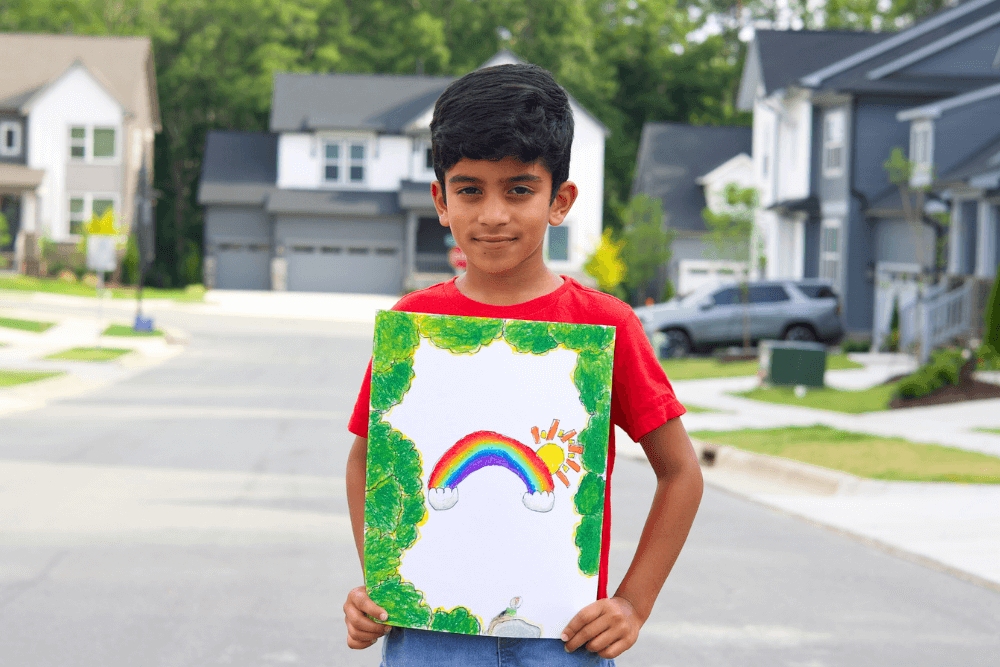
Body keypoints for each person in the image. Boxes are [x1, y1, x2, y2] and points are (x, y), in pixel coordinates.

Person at [343, 62, 703, 666]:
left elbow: (681, 473)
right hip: (429, 642)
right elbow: (365, 464)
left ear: (559, 200)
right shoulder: (415, 326)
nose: (492, 214)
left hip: (562, 643)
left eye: (518, 189)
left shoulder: (605, 325)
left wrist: (633, 604)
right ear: (440, 199)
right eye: (469, 189)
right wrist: (380, 581)